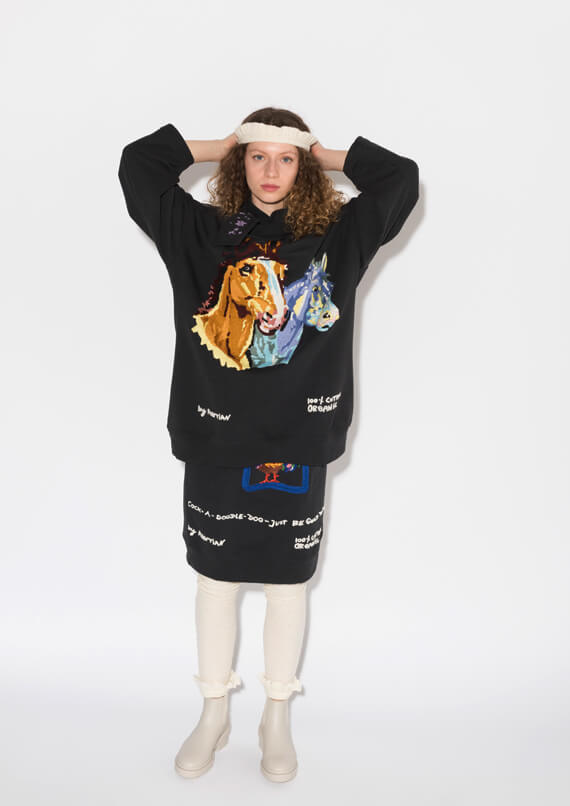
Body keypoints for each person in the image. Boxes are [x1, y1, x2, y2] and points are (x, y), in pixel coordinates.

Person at [118, 107, 419, 782]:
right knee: (215, 577)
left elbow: (400, 179)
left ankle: (275, 715)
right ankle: (213, 711)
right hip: (214, 431)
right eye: (258, 157)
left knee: (288, 582)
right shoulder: (200, 232)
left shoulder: (338, 235)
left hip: (299, 436)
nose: (271, 171)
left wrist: (320, 152)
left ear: (301, 167)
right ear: (240, 164)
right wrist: (225, 142)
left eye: (285, 160)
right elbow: (138, 165)